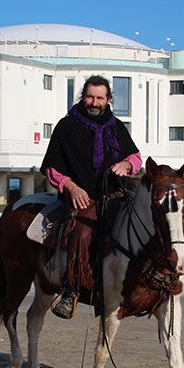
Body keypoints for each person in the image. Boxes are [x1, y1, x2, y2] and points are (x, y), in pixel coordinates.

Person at [40, 75, 142, 319]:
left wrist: (126, 165)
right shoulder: (65, 126)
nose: (94, 102)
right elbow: (51, 167)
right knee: (83, 232)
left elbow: (136, 157)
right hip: (81, 197)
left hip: (115, 195)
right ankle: (70, 290)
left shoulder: (116, 126)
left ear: (108, 100)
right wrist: (71, 187)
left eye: (99, 98)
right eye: (90, 97)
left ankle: (136, 284)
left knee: (140, 226)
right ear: (82, 97)